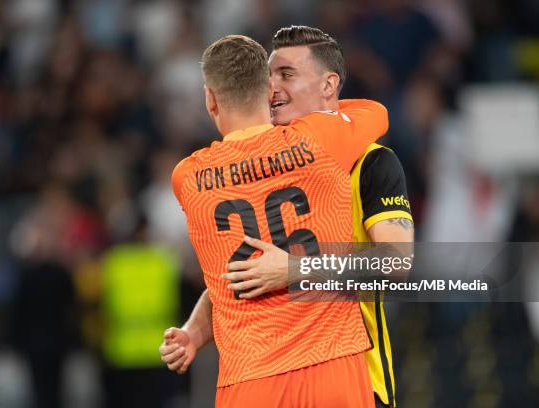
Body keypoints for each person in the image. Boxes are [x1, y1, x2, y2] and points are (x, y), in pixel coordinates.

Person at [160, 26, 414, 407]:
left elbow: (397, 263)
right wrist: (196, 330)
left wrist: (296, 269)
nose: (275, 88)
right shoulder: (319, 143)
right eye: (270, 76)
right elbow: (243, 268)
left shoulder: (373, 162)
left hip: (357, 367)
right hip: (323, 368)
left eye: (287, 75)